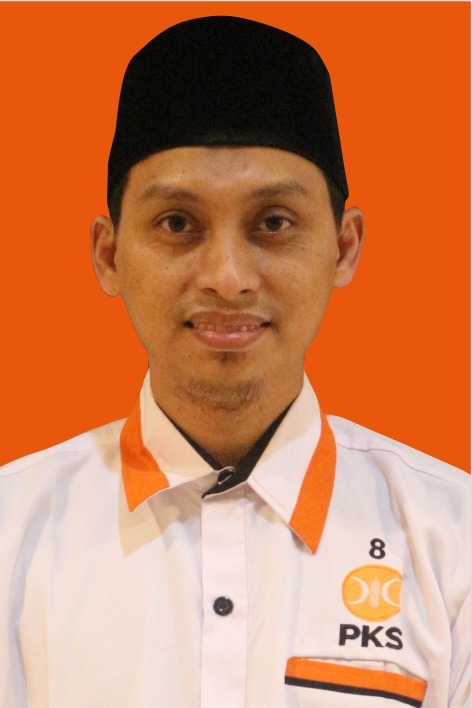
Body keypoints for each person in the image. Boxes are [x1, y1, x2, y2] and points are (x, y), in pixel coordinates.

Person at [0, 15, 469, 708]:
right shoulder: (11, 533)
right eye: (177, 223)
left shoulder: (455, 544)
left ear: (343, 248)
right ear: (109, 254)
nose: (227, 277)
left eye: (274, 222)